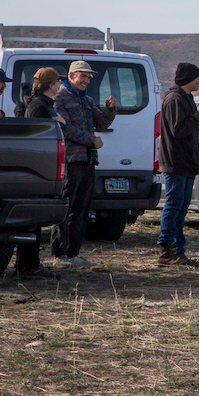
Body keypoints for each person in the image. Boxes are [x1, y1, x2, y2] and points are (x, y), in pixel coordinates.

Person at [49, 59, 119, 269]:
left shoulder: (86, 100)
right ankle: (60, 253)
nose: (86, 80)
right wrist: (92, 141)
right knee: (66, 206)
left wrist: (109, 110)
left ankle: (74, 252)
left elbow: (101, 123)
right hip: (70, 160)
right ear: (71, 76)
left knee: (81, 208)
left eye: (88, 77)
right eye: (83, 76)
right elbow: (65, 129)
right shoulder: (59, 99)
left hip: (87, 160)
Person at [155, 63, 199, 268]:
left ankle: (178, 250)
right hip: (176, 162)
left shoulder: (185, 99)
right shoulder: (175, 99)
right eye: (197, 78)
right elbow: (179, 130)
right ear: (187, 79)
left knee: (181, 207)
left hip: (186, 162)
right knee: (174, 206)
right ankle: (167, 250)